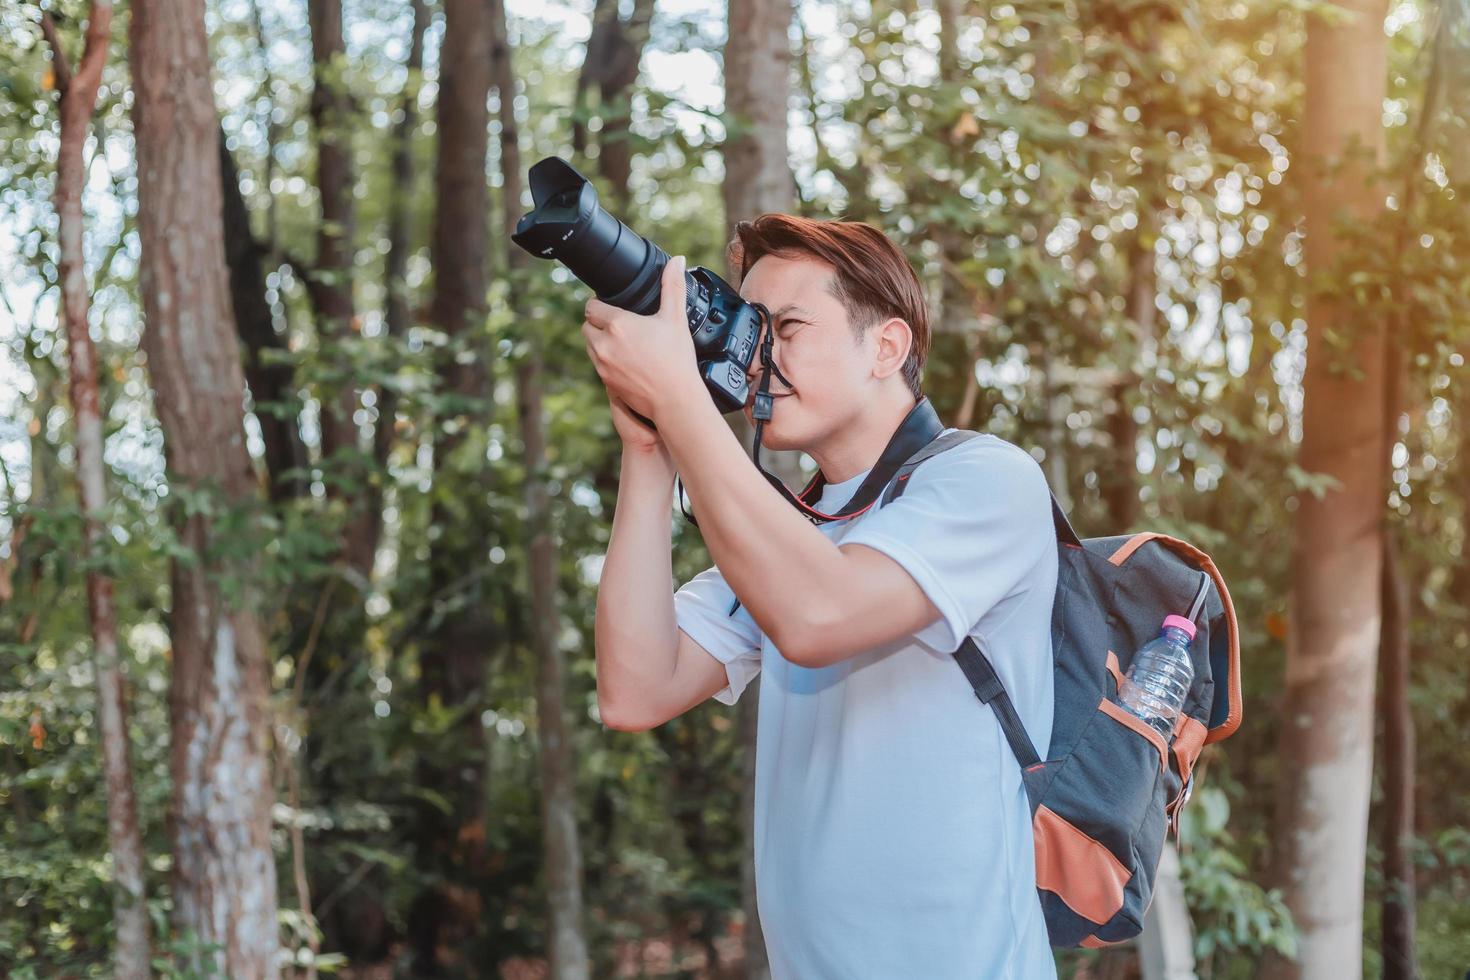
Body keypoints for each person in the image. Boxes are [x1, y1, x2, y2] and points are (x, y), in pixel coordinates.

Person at [582, 214, 1058, 978]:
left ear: (886, 347)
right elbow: (634, 691)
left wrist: (681, 399)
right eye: (750, 328)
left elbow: (818, 614)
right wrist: (650, 448)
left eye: (788, 327)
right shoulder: (795, 536)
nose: (759, 357)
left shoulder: (985, 480)